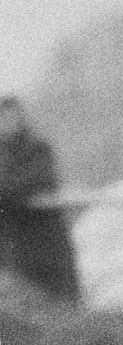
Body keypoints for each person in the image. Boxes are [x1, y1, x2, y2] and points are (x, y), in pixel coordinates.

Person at [0, 96, 80, 301]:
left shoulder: (39, 147)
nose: (9, 122)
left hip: (47, 236)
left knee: (62, 300)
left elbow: (44, 178)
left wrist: (13, 190)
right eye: (4, 117)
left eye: (12, 116)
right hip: (13, 238)